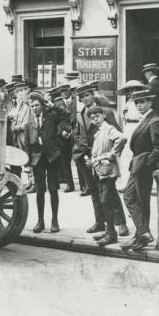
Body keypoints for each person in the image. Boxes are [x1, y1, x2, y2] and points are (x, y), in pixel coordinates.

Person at [74, 83, 129, 237]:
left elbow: (116, 132)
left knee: (110, 192)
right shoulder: (80, 114)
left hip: (104, 158)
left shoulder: (104, 112)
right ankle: (100, 222)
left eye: (87, 95)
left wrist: (110, 154)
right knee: (94, 191)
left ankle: (121, 223)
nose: (85, 99)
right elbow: (78, 133)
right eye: (82, 97)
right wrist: (79, 148)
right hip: (87, 158)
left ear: (93, 95)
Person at [120, 89, 159, 251]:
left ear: (150, 102)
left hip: (143, 167)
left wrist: (146, 163)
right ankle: (142, 233)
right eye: (137, 103)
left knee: (140, 201)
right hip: (137, 166)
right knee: (131, 198)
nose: (139, 105)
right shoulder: (146, 119)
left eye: (142, 102)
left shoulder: (154, 121)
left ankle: (141, 236)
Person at [86, 106, 128, 247]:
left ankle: (111, 234)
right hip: (100, 171)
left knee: (106, 200)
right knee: (104, 201)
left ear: (104, 115)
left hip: (108, 171)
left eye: (97, 116)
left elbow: (121, 138)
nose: (95, 119)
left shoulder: (108, 128)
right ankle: (108, 231)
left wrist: (112, 154)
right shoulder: (98, 132)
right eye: (92, 118)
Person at [27, 92, 65, 233]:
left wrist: (53, 105)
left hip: (52, 156)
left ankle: (54, 220)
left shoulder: (51, 116)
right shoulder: (29, 122)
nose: (34, 108)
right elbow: (26, 143)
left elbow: (66, 114)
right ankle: (40, 221)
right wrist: (27, 163)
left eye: (37, 105)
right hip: (37, 158)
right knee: (40, 191)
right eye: (32, 106)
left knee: (53, 189)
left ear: (42, 105)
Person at [116, 79, 147, 191]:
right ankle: (126, 183)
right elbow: (123, 118)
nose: (130, 93)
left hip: (137, 127)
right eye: (129, 91)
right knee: (125, 155)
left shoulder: (141, 103)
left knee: (138, 155)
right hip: (128, 128)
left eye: (133, 90)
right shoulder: (127, 103)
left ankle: (139, 185)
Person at [49, 85, 74, 192]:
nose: (64, 93)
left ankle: (84, 185)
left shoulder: (76, 102)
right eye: (62, 92)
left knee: (79, 160)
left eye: (66, 91)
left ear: (70, 91)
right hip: (62, 137)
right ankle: (69, 184)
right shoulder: (57, 104)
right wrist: (61, 131)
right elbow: (55, 122)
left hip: (75, 134)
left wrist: (73, 131)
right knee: (64, 162)